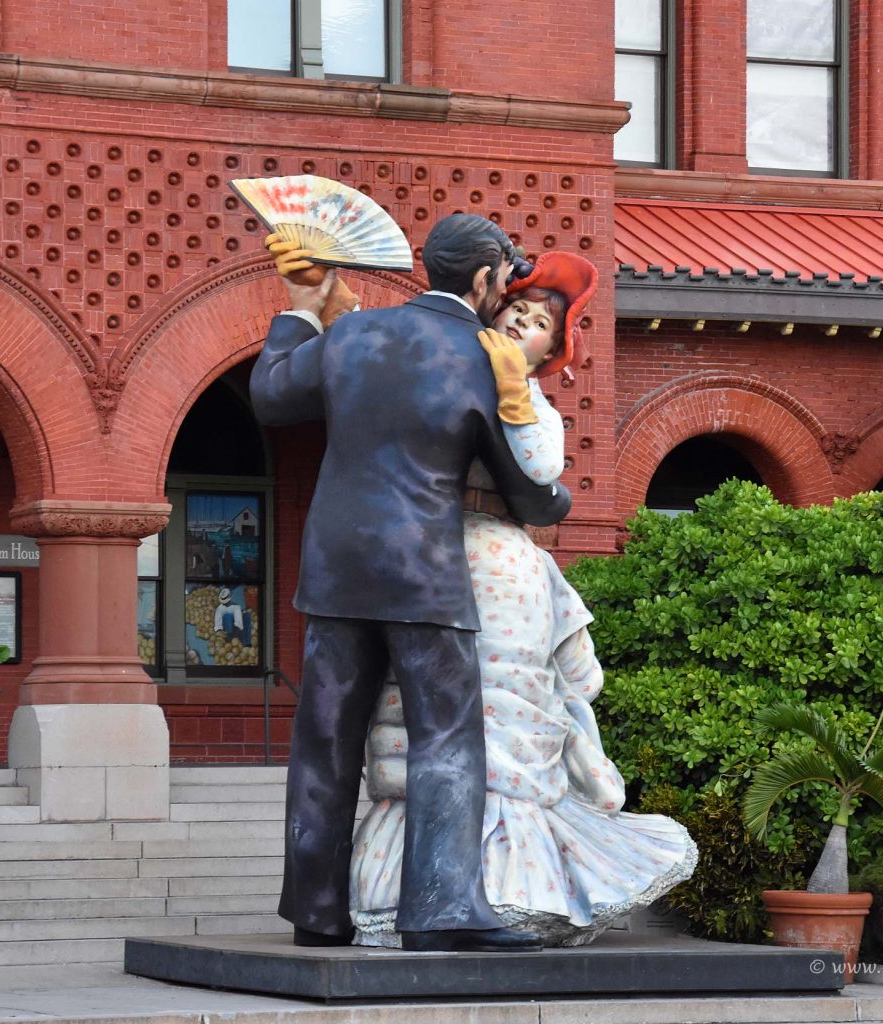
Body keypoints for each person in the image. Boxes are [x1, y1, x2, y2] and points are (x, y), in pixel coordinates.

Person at [307, 250, 699, 946]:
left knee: (510, 711)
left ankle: (506, 884)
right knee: (422, 720)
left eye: (543, 321)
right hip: (422, 555)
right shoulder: (443, 370)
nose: (526, 319)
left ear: (555, 348)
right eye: (519, 307)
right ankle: (420, 892)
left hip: (501, 567)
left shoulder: (526, 398)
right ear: (489, 305)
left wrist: (517, 394)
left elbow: (544, 470)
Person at [250, 214, 572, 953]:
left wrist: (304, 303)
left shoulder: (355, 336)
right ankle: (441, 909)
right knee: (447, 740)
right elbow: (525, 491)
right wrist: (559, 504)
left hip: (334, 566)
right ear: (487, 278)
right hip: (423, 572)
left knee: (325, 738)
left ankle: (317, 909)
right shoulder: (487, 354)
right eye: (505, 280)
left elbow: (270, 395)